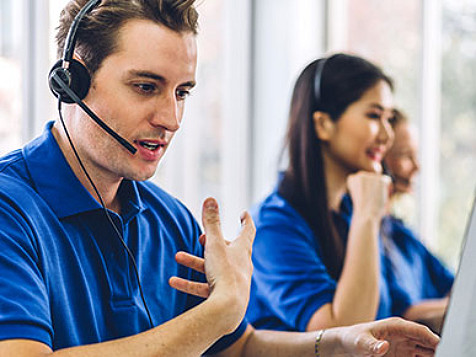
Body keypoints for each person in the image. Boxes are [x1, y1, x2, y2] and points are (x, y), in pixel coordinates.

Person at [0, 1, 439, 356]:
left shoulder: (169, 218)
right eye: (146, 87)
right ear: (72, 80)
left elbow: (238, 346)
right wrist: (216, 313)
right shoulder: (10, 208)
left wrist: (342, 343)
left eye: (182, 92)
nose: (171, 119)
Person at [247, 53, 399, 332]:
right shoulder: (272, 225)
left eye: (390, 119)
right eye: (374, 116)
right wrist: (367, 215)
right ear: (323, 124)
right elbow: (343, 338)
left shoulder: (348, 212)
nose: (387, 135)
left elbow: (390, 312)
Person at [382, 109, 454, 333]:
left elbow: (454, 286)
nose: (417, 166)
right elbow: (401, 314)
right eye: (405, 155)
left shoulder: (402, 234)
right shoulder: (364, 238)